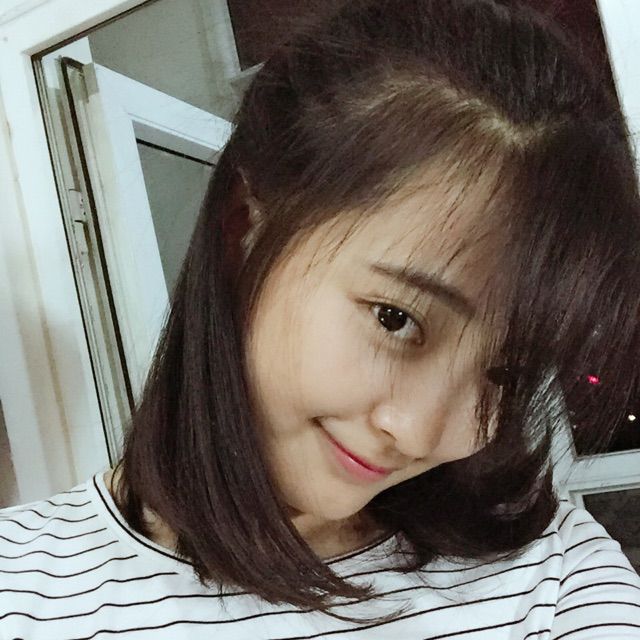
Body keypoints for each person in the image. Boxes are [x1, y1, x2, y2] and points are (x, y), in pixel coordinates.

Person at [2, 0, 640, 637]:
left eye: (506, 373)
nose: (419, 434)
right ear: (243, 229)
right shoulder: (24, 587)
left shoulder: (551, 573)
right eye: (395, 319)